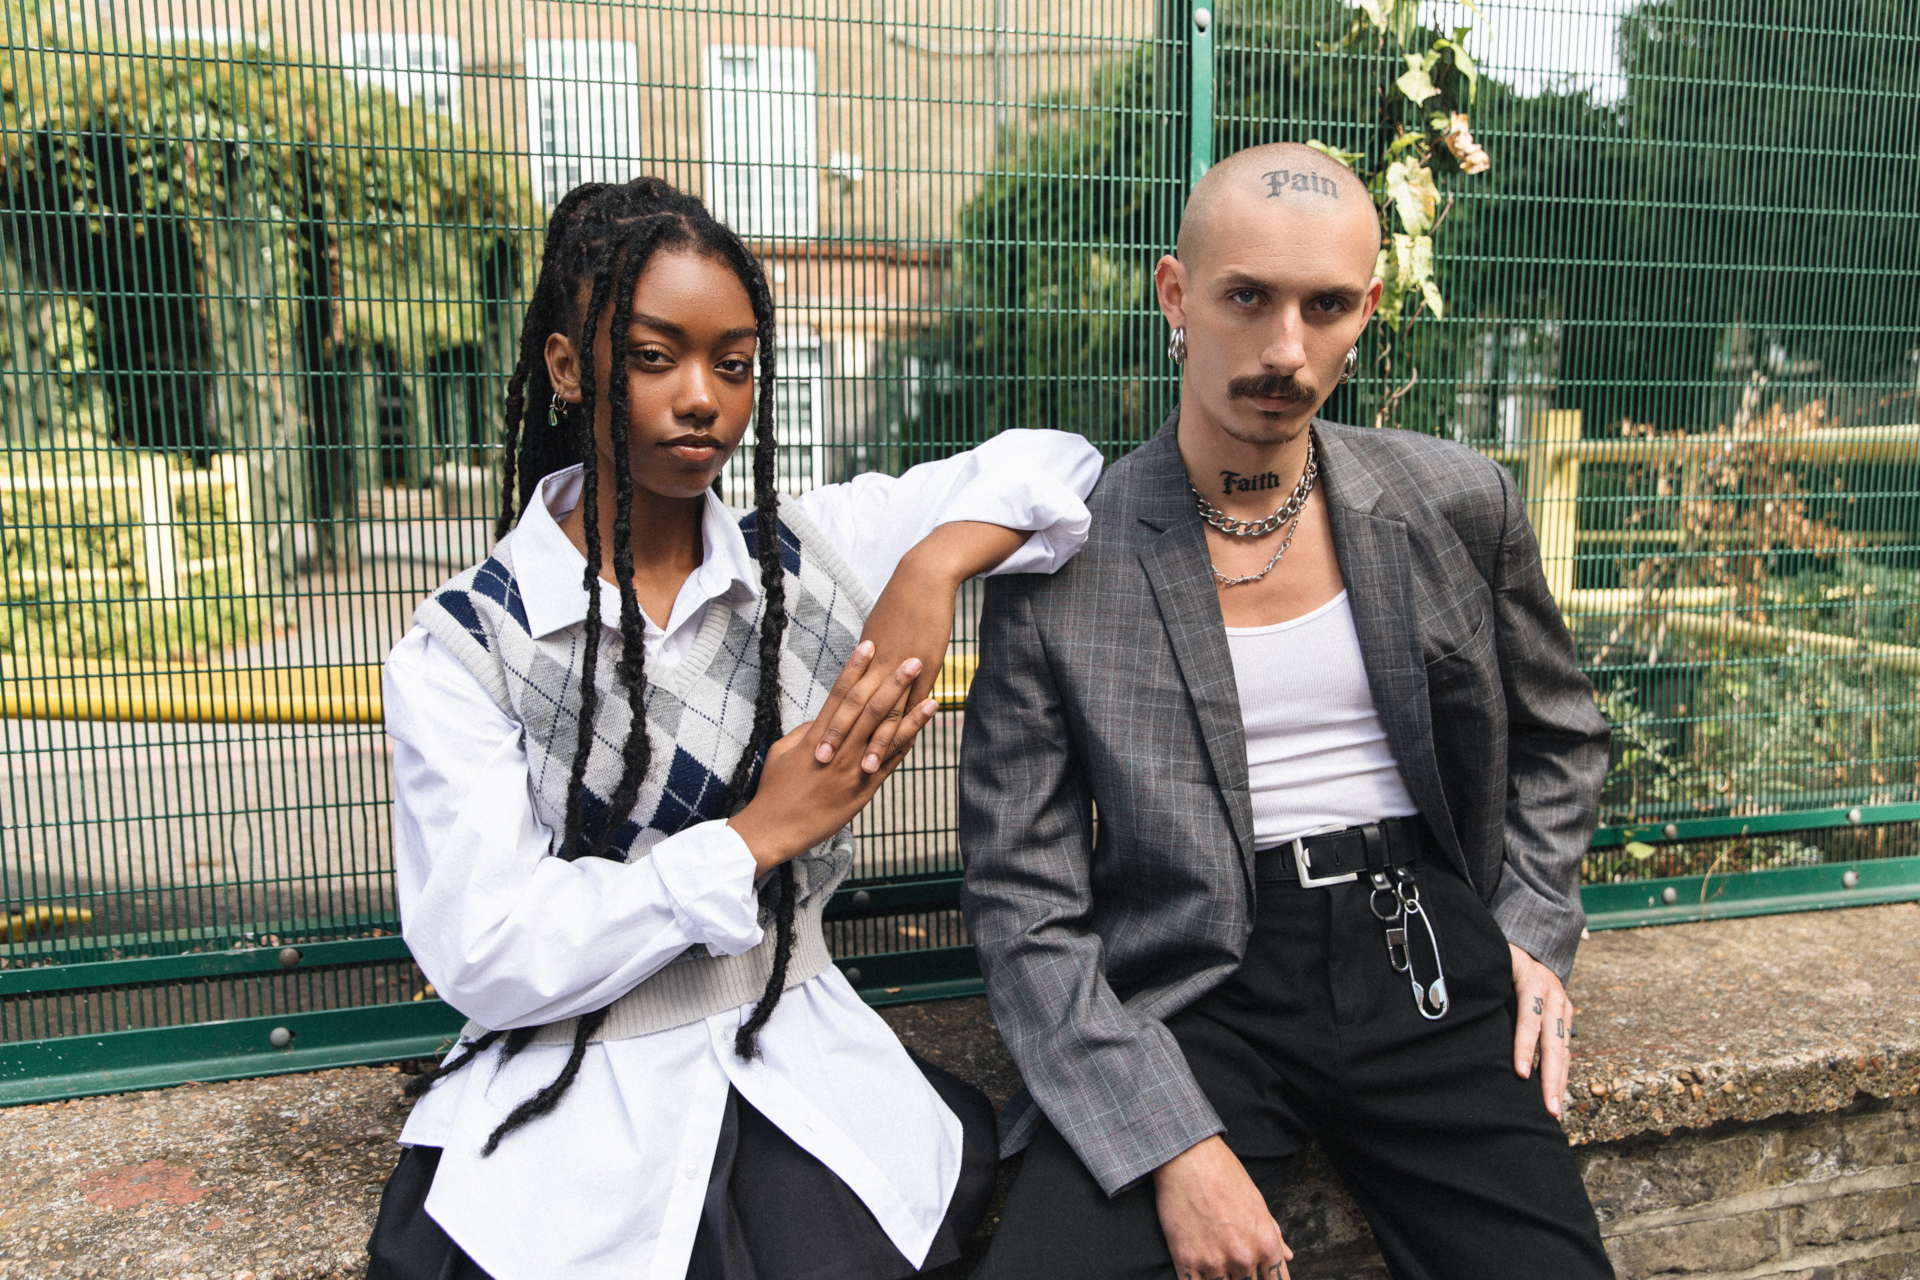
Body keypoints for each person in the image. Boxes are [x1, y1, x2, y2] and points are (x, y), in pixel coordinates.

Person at [365, 177, 1102, 1280]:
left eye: (736, 361)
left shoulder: (811, 553)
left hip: (796, 1052)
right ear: (567, 367)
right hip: (568, 1096)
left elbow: (1061, 461)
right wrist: (757, 834)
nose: (703, 397)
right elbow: (486, 941)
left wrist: (933, 563)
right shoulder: (463, 646)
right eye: (656, 356)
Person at [959, 141, 1615, 1280]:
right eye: (1246, 298)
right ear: (1176, 294)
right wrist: (1165, 1133)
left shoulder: (1456, 502)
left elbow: (1563, 734)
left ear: (1366, 309)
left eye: (1324, 307)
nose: (1284, 350)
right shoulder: (1066, 561)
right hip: (1196, 982)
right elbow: (1024, 894)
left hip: (1428, 952)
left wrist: (1531, 924)